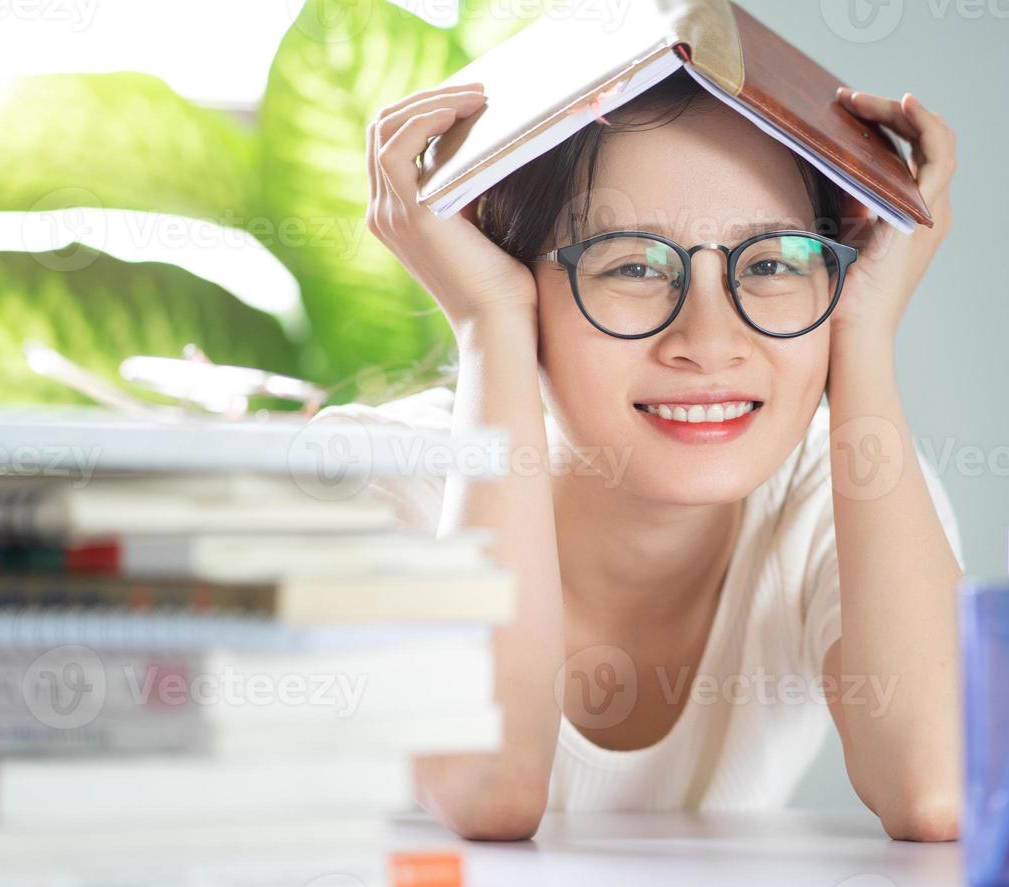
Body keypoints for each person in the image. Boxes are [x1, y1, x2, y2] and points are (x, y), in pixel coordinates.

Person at [350, 68, 963, 842]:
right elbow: (490, 788)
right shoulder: (384, 485)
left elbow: (941, 788)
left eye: (772, 262)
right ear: (514, 275)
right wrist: (488, 321)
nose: (708, 343)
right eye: (633, 266)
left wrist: (866, 332)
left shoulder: (840, 491)